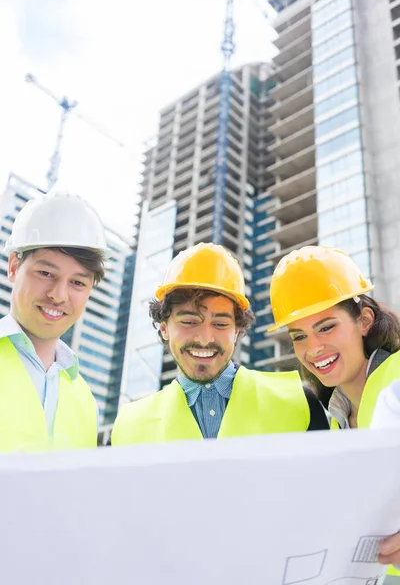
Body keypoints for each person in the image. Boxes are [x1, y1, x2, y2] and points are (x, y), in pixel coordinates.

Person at [112, 242, 328, 446]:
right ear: (164, 329)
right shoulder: (127, 428)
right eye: (189, 321)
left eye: (220, 323)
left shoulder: (299, 403)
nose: (205, 338)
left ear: (237, 331)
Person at [268, 244, 400, 577]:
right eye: (299, 336)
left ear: (364, 320)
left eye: (326, 327)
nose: (313, 349)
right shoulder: (336, 418)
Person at [0, 191, 110, 452]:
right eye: (46, 273)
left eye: (78, 283)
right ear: (14, 267)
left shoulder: (85, 401)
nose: (58, 295)